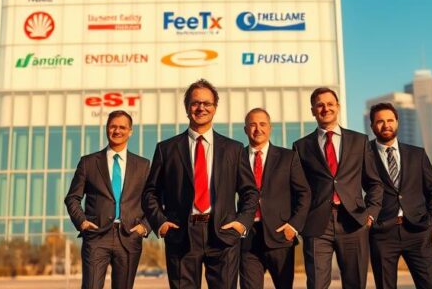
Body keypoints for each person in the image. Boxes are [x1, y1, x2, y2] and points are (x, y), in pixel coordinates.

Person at [142, 79, 258, 289]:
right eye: (195, 103)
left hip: (223, 234)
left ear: (215, 108)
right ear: (187, 108)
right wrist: (161, 223)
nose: (201, 108)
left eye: (207, 103)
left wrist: (241, 222)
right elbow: (150, 193)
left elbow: (250, 192)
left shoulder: (234, 149)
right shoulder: (166, 149)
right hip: (181, 235)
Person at [293, 87, 383, 289]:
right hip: (317, 225)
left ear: (338, 107)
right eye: (320, 105)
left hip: (354, 221)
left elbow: (374, 183)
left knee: (355, 283)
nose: (325, 108)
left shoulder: (359, 141)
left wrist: (370, 214)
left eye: (330, 104)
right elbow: (298, 189)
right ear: (313, 110)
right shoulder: (301, 146)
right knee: (316, 284)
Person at [65, 110, 151, 289]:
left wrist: (145, 227)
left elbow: (154, 200)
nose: (117, 131)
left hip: (129, 237)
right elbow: (72, 198)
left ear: (130, 131)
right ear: (106, 129)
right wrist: (82, 222)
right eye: (113, 126)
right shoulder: (88, 162)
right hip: (96, 236)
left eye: (122, 127)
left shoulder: (143, 165)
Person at [367, 102, 432, 289]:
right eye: (380, 121)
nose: (386, 125)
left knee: (431, 285)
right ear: (372, 126)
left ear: (397, 122)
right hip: (382, 233)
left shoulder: (417, 154)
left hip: (418, 231)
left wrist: (431, 222)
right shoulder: (363, 154)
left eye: (390, 120)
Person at [239, 108, 311, 289]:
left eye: (262, 124)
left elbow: (304, 193)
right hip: (247, 237)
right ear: (245, 129)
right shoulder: (236, 158)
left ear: (270, 128)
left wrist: (294, 226)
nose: (258, 129)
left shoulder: (288, 157)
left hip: (280, 236)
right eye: (252, 125)